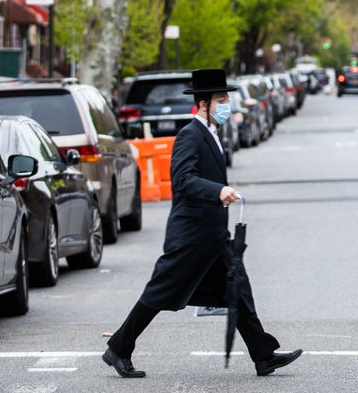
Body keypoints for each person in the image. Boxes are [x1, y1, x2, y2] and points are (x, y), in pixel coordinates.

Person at [102, 68, 302, 379]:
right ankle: (119, 347)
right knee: (160, 292)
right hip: (191, 235)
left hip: (213, 235)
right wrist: (217, 191)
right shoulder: (189, 135)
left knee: (238, 289)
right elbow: (182, 181)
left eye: (227, 99)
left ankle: (263, 355)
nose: (226, 105)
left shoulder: (211, 134)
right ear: (203, 103)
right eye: (221, 100)